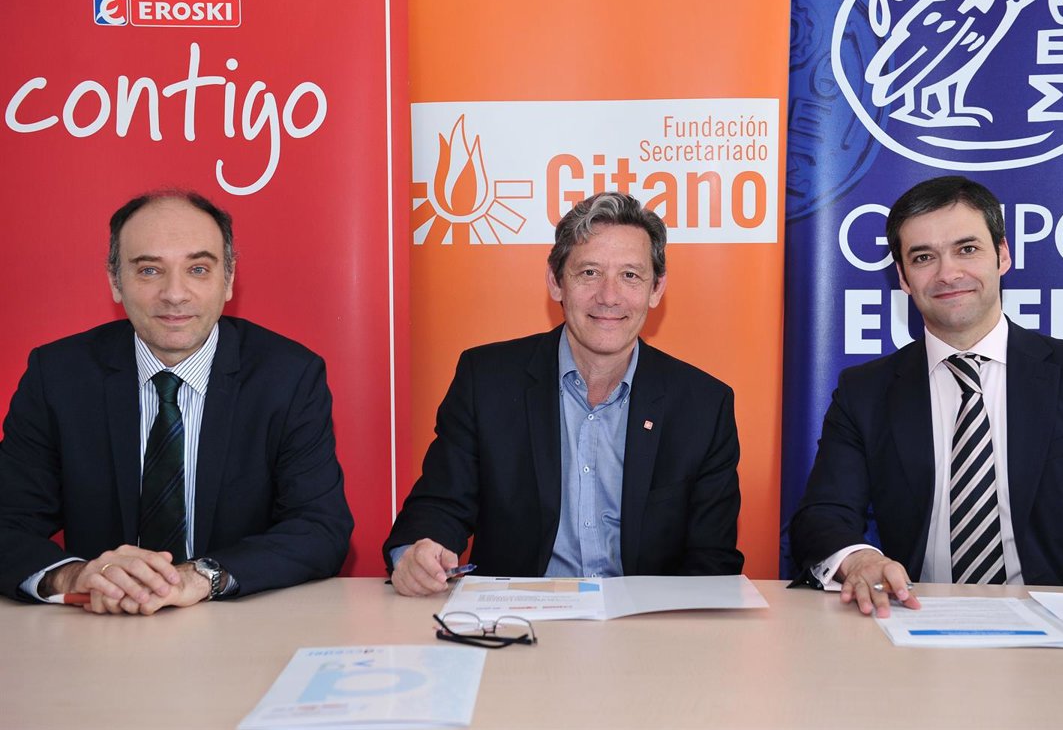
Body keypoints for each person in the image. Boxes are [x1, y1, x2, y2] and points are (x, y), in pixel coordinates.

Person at [789, 175, 1063, 616]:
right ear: (903, 278)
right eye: (923, 257)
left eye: (967, 249)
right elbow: (823, 516)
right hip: (921, 622)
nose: (948, 274)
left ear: (1003, 255)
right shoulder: (865, 392)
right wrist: (858, 559)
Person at [0, 190, 353, 613]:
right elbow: (7, 521)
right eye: (149, 270)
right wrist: (74, 576)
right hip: (100, 625)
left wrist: (201, 576)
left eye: (198, 269)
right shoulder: (58, 376)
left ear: (228, 279)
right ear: (115, 281)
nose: (174, 293)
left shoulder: (288, 376)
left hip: (240, 627)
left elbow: (319, 529)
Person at [385, 192, 743, 596]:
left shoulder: (704, 406)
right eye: (589, 272)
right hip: (520, 619)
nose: (609, 296)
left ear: (656, 289)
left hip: (647, 623)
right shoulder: (486, 381)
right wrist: (416, 554)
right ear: (556, 281)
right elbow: (439, 506)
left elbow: (712, 561)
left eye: (630, 275)